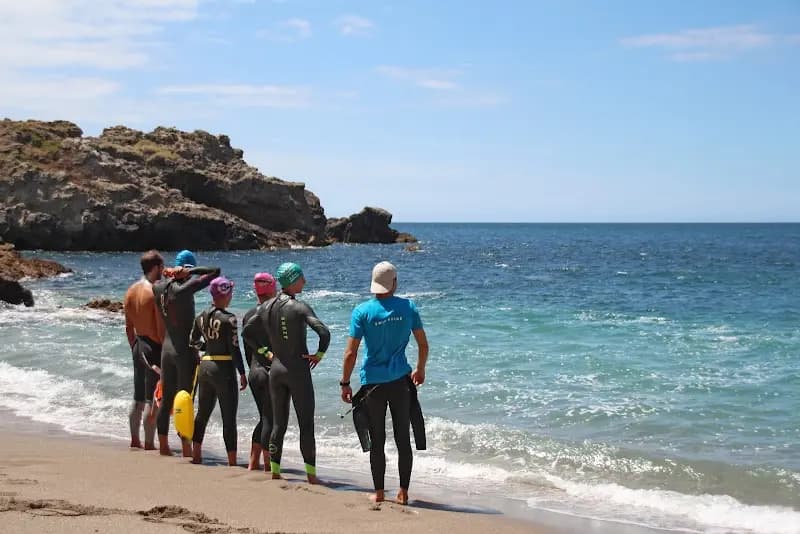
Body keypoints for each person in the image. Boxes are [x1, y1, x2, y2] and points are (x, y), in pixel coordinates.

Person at [340, 261, 429, 505]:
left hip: (372, 386)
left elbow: (350, 353)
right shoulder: (408, 307)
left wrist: (345, 383)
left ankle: (379, 493)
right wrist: (420, 369)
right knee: (403, 438)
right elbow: (423, 344)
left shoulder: (362, 311)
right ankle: (403, 492)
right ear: (395, 283)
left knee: (377, 438)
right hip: (401, 381)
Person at [242, 262, 330, 484]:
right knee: (305, 424)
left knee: (278, 424)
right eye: (301, 278)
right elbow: (323, 332)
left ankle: (275, 471)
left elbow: (246, 333)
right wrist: (318, 355)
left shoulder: (266, 307)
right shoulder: (300, 307)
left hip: (277, 370)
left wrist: (264, 351)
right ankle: (311, 476)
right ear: (292, 280)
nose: (305, 282)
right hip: (297, 370)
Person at [153, 249, 221, 457]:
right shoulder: (184, 290)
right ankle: (185, 447)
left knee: (167, 401)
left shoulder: (158, 288)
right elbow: (215, 271)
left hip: (167, 348)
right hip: (183, 351)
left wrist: (172, 273)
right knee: (185, 400)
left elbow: (162, 279)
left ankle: (164, 446)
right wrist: (190, 271)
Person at [189, 277, 247, 466]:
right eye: (230, 292)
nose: (231, 296)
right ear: (224, 294)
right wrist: (242, 372)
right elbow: (234, 348)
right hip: (223, 368)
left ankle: (196, 454)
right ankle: (231, 461)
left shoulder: (200, 316)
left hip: (205, 366)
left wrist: (209, 346)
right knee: (228, 417)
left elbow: (192, 342)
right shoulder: (229, 319)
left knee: (202, 413)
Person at [123, 250, 165, 450]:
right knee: (152, 398)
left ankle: (135, 439)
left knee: (138, 398)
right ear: (156, 268)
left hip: (137, 345)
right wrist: (165, 349)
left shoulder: (130, 291)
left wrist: (135, 346)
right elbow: (159, 329)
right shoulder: (154, 291)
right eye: (162, 268)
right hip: (152, 347)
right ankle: (149, 443)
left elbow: (128, 327)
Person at [242, 272, 277, 471]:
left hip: (254, 371)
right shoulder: (274, 312)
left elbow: (248, 350)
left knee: (264, 417)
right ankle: (267, 465)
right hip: (270, 371)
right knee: (270, 419)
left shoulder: (248, 314)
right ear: (272, 288)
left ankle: (253, 461)